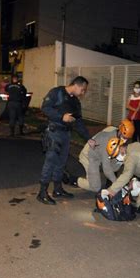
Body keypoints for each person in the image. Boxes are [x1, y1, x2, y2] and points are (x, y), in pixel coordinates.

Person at [37, 76, 91, 205]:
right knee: (51, 162)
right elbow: (45, 107)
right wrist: (61, 117)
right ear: (76, 85)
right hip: (54, 132)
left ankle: (57, 189)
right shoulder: (57, 92)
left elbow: (78, 122)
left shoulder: (75, 102)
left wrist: (89, 139)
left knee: (61, 162)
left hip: (66, 134)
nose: (83, 93)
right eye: (83, 90)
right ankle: (42, 192)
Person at [65, 119, 135, 192]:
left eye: (127, 138)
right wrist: (118, 185)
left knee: (118, 162)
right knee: (95, 187)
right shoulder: (107, 140)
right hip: (89, 157)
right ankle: (72, 179)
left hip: (99, 157)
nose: (125, 140)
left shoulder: (115, 132)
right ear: (120, 131)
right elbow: (106, 168)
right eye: (124, 137)